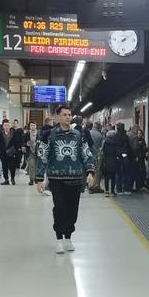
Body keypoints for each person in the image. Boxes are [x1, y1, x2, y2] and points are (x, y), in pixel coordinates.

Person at [36, 104, 95, 252]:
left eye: (69, 115)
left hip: (75, 179)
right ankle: (59, 238)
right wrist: (39, 179)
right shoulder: (49, 135)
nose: (68, 117)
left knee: (72, 210)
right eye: (65, 114)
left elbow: (86, 153)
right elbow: (42, 156)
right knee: (60, 208)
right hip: (56, 179)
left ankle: (68, 237)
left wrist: (90, 172)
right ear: (57, 117)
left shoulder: (78, 135)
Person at [102, 124, 122, 196]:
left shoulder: (105, 143)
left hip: (106, 162)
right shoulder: (116, 143)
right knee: (113, 177)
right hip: (114, 162)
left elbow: (103, 152)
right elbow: (118, 153)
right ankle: (112, 191)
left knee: (107, 178)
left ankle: (106, 191)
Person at [116, 124, 134, 194]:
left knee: (118, 173)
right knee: (126, 173)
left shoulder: (115, 136)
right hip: (125, 157)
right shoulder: (126, 137)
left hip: (117, 157)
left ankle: (119, 190)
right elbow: (130, 148)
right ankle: (127, 189)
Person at [131, 126, 149, 192]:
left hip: (142, 158)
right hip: (137, 159)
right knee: (138, 173)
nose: (139, 134)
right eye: (138, 133)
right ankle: (137, 186)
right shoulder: (135, 140)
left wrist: (145, 150)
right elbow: (135, 149)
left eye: (140, 133)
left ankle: (141, 185)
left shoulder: (143, 140)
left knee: (143, 172)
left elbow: (144, 148)